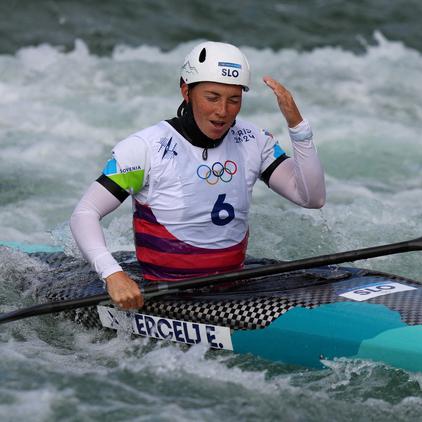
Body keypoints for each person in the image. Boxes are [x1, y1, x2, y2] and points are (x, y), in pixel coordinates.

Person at [70, 41, 325, 310]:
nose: (222, 111)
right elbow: (84, 213)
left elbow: (311, 197)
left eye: (234, 100)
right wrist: (112, 274)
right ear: (186, 91)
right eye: (212, 97)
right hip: (165, 292)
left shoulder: (253, 140)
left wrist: (298, 127)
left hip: (234, 288)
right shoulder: (145, 148)